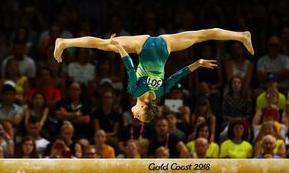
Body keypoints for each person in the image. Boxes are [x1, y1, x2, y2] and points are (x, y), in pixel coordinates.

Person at [54, 28, 253, 122]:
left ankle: (242, 36)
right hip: (145, 46)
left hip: (165, 46)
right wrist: (119, 49)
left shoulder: (160, 93)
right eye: (137, 116)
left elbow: (178, 75)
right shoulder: (134, 90)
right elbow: (130, 67)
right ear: (141, 108)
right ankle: (64, 42)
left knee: (204, 35)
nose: (133, 115)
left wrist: (197, 64)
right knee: (104, 44)